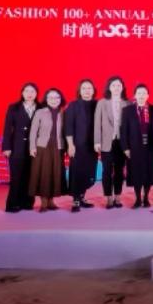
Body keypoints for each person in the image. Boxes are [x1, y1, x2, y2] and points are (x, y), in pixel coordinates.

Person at [1, 82, 39, 213]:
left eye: (32, 91)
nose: (29, 94)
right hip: (16, 147)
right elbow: (7, 128)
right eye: (26, 91)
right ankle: (13, 204)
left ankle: (27, 202)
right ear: (22, 93)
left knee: (31, 176)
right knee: (16, 177)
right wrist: (6, 147)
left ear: (36, 94)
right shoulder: (14, 107)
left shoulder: (41, 108)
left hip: (34, 148)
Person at [121, 84, 153, 208]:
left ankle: (146, 198)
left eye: (144, 93)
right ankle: (138, 198)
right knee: (136, 173)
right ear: (135, 95)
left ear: (148, 95)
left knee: (149, 173)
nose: (141, 95)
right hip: (134, 147)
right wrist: (125, 147)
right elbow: (124, 130)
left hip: (151, 146)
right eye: (139, 93)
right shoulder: (127, 110)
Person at [93, 76, 127, 209]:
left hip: (122, 143)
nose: (116, 88)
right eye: (114, 85)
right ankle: (108, 198)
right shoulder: (102, 103)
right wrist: (97, 141)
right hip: (106, 142)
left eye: (119, 85)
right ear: (109, 88)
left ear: (122, 88)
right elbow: (97, 123)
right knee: (107, 170)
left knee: (119, 170)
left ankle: (118, 196)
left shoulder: (127, 103)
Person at [28, 88, 65, 212]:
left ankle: (51, 201)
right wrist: (32, 147)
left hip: (58, 147)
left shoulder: (63, 113)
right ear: (46, 99)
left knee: (55, 173)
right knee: (43, 174)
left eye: (57, 97)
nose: (54, 100)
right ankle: (43, 202)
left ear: (60, 99)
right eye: (51, 97)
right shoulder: (40, 112)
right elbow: (33, 131)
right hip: (42, 147)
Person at [64, 79, 98, 213]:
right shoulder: (73, 105)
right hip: (77, 145)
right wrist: (70, 144)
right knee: (77, 172)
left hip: (92, 146)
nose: (87, 91)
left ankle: (82, 197)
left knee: (89, 172)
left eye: (89, 88)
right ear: (79, 91)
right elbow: (68, 126)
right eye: (84, 88)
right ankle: (76, 200)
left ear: (93, 91)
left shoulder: (97, 104)